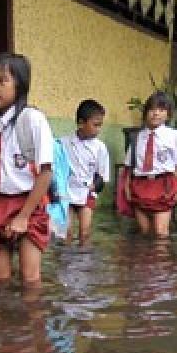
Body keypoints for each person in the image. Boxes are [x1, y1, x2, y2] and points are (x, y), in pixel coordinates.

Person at [0, 53, 55, 288]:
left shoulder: (31, 119)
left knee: (30, 281)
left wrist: (23, 216)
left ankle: (31, 324)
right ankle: (7, 325)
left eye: (2, 81)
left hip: (28, 204)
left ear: (19, 85)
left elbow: (45, 172)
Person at [120, 92, 177, 238]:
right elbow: (129, 166)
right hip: (140, 185)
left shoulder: (173, 135)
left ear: (168, 114)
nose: (156, 113)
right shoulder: (136, 137)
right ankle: (145, 260)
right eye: (152, 109)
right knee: (144, 232)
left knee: (160, 232)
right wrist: (126, 188)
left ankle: (162, 261)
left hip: (164, 185)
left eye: (161, 110)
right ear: (145, 113)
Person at [60, 99, 111, 245]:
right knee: (66, 232)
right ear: (81, 123)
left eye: (100, 125)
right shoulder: (63, 143)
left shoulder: (100, 148)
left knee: (85, 232)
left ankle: (85, 263)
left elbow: (102, 175)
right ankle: (65, 263)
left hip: (86, 193)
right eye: (95, 125)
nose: (98, 129)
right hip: (67, 193)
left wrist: (95, 187)